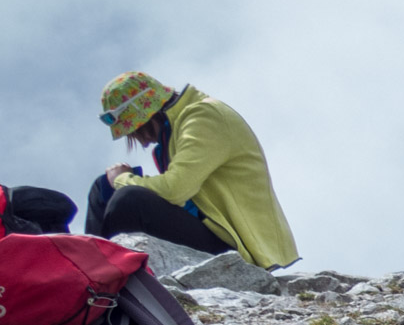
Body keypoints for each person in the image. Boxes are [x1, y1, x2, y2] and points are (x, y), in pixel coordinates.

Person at [85, 72, 299, 269]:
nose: (143, 141)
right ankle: (89, 267)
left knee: (129, 199)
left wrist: (122, 179)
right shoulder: (176, 129)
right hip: (210, 231)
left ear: (147, 115)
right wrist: (114, 182)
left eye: (137, 130)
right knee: (102, 187)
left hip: (235, 246)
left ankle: (107, 275)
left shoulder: (204, 115)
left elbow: (175, 189)